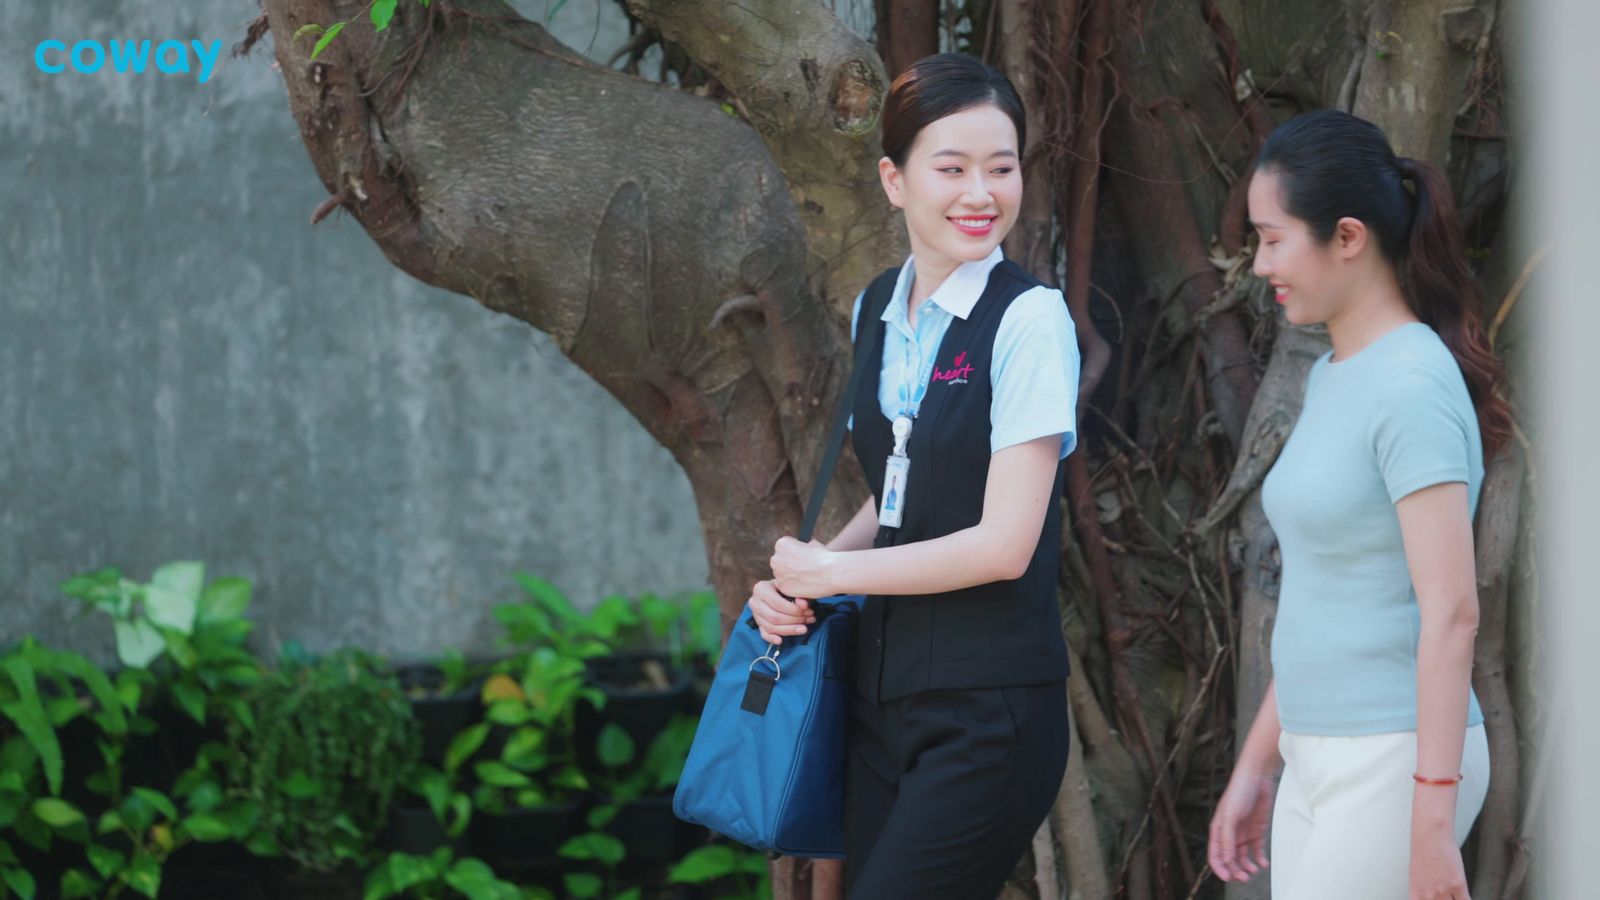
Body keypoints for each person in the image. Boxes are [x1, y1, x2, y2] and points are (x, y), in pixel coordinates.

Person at [745, 53, 1082, 898]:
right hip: (876, 702)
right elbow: (898, 502)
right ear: (894, 181)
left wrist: (839, 572)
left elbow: (1006, 545)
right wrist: (804, 579)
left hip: (988, 715)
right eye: (953, 167)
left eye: (1000, 168)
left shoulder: (1030, 320)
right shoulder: (876, 308)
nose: (981, 193)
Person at [1207, 109, 1511, 900]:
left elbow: (1451, 613)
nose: (1260, 264)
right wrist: (1258, 764)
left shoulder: (1410, 385)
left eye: (1273, 239)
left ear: (1347, 236)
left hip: (1393, 755)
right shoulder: (1335, 374)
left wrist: (1431, 821)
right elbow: (1324, 593)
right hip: (1319, 750)